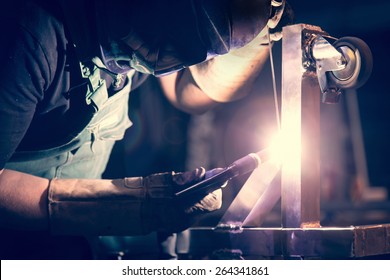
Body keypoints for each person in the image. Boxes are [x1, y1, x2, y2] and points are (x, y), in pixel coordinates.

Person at [0, 0, 288, 259]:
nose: (173, 62)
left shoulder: (140, 31)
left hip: (68, 248)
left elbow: (186, 94)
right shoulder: (28, 36)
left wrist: (248, 43)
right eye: (177, 42)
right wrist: (130, 205)